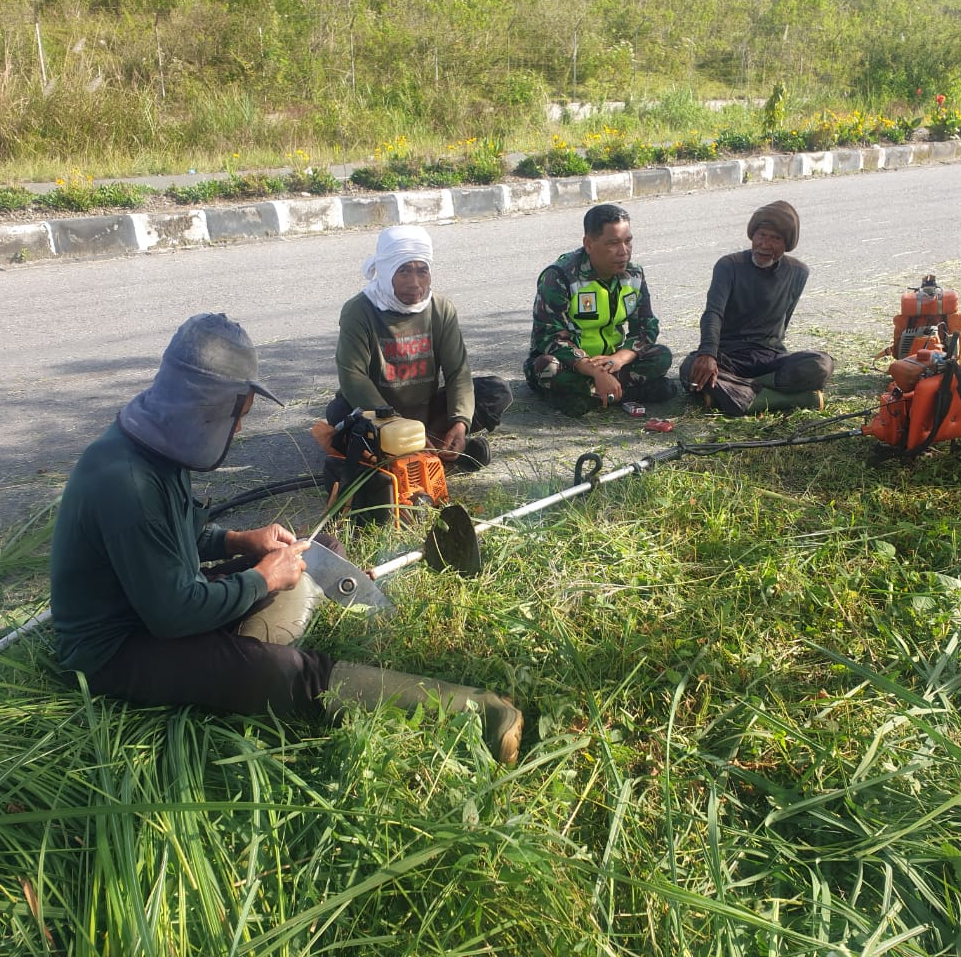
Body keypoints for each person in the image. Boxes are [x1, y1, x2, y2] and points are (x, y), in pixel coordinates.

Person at [50, 312, 522, 764]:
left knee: (314, 553)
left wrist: (239, 541)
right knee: (290, 672)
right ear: (212, 407)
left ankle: (237, 651)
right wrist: (261, 580)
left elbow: (182, 535)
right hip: (118, 648)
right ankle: (480, 713)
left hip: (160, 603)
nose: (238, 427)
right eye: (240, 415)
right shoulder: (127, 483)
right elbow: (173, 613)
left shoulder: (154, 447)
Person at [325, 225, 510, 472]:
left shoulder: (440, 308)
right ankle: (420, 450)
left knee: (496, 391)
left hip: (426, 410)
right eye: (404, 271)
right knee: (340, 413)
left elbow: (457, 372)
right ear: (386, 271)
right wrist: (397, 426)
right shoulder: (359, 311)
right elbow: (352, 377)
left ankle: (437, 443)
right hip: (379, 415)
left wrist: (460, 423)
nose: (415, 283)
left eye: (422, 271)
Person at [680, 200, 834, 415]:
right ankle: (791, 398)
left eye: (775, 238)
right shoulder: (729, 266)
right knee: (690, 370)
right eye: (761, 235)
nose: (765, 244)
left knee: (821, 364)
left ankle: (741, 395)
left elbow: (783, 322)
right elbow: (713, 313)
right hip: (728, 357)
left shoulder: (798, 272)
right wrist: (708, 353)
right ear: (752, 235)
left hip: (770, 357)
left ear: (787, 243)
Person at [525, 204, 678, 417]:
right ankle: (621, 392)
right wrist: (592, 369)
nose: (623, 251)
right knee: (547, 367)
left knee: (661, 356)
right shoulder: (560, 276)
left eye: (628, 241)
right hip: (573, 364)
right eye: (613, 243)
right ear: (589, 244)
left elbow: (646, 328)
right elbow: (550, 337)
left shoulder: (633, 274)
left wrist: (619, 359)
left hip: (612, 361)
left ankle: (593, 396)